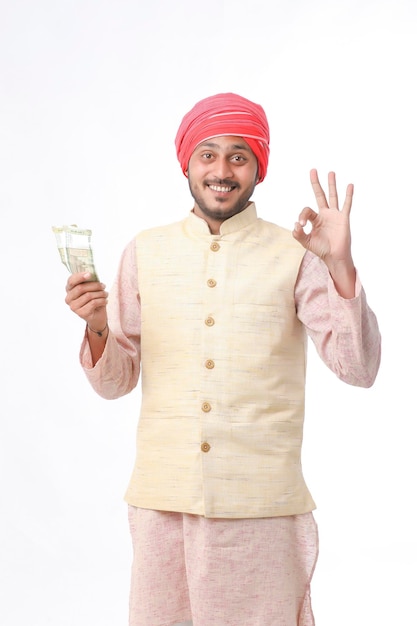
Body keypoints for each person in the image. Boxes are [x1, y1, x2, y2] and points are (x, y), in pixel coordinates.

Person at [64, 92, 381, 626]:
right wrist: (97, 328)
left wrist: (341, 266)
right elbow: (115, 382)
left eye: (239, 156)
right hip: (163, 500)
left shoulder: (294, 254)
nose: (222, 169)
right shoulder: (144, 252)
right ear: (186, 162)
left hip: (262, 503)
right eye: (208, 153)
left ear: (259, 170)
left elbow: (359, 368)